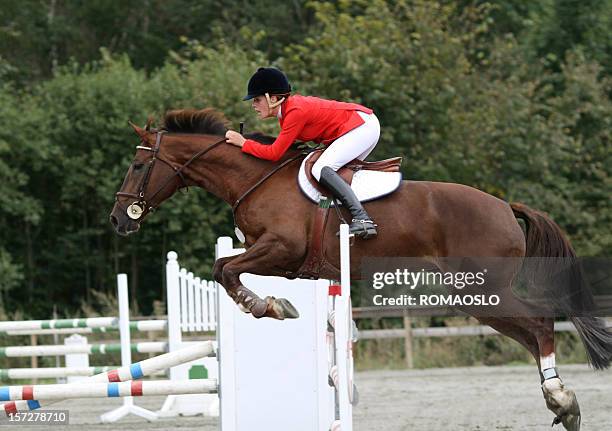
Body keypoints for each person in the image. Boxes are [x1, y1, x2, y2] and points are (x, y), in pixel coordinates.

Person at [225, 67, 380, 239]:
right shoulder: (286, 114)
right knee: (331, 175)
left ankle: (363, 219)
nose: (253, 105)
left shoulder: (294, 112)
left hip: (361, 126)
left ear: (273, 98)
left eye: (257, 99)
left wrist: (244, 143)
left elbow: (274, 153)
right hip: (359, 126)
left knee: (320, 169)